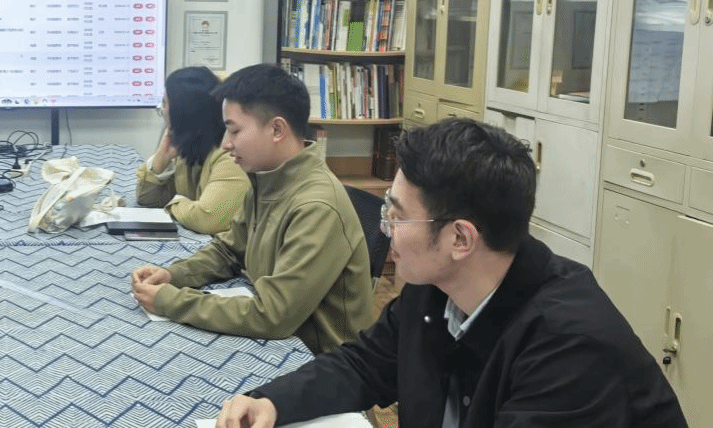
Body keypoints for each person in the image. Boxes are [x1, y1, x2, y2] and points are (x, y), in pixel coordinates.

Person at [216, 119, 687, 428]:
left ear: (460, 238)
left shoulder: (571, 345)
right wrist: (272, 401)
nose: (385, 230)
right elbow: (365, 364)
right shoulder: (436, 288)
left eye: (397, 216)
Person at [131, 64, 373, 354]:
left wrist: (170, 301)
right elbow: (228, 251)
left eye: (234, 130)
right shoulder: (266, 178)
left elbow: (273, 316)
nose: (225, 143)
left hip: (320, 360)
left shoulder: (317, 207)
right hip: (282, 341)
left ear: (277, 130)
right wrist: (173, 275)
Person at [135, 66, 250, 235]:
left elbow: (207, 219)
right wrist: (161, 158)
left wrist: (174, 204)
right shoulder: (189, 146)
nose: (162, 110)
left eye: (165, 103)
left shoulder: (231, 154)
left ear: (183, 113)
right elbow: (147, 199)